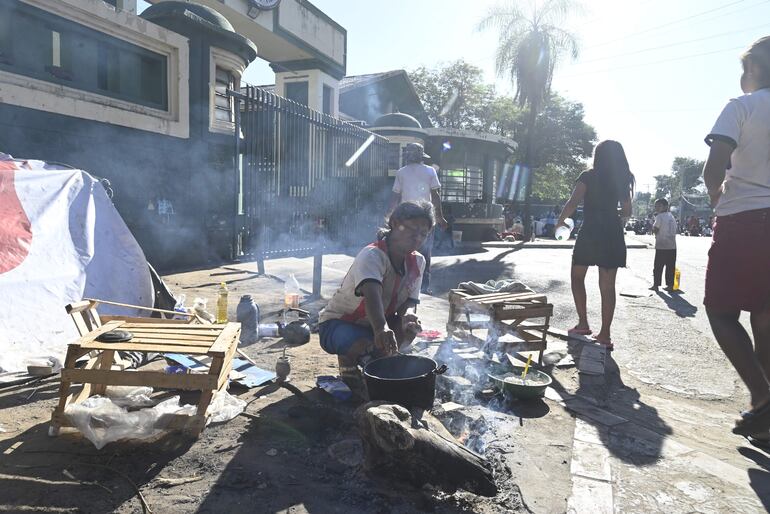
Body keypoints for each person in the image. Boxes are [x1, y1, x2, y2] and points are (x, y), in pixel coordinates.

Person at [702, 36, 770, 440]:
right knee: (764, 318)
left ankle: (763, 397)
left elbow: (714, 170)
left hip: (745, 219)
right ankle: (763, 419)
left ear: (755, 69)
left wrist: (716, 197)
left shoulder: (741, 107)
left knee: (721, 312)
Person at [318, 201, 431, 394]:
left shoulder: (418, 261)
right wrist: (381, 329)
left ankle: (377, 362)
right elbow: (372, 295)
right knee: (366, 345)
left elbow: (410, 302)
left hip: (376, 323)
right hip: (338, 325)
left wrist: (408, 317)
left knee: (407, 333)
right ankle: (349, 364)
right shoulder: (372, 255)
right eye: (412, 229)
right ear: (395, 223)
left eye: (423, 234)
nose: (417, 238)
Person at [556, 140, 635, 350]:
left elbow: (573, 202)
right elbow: (627, 211)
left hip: (591, 232)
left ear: (597, 156)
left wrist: (561, 220)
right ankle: (605, 335)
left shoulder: (588, 176)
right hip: (612, 233)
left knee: (577, 276)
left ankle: (583, 323)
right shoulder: (622, 179)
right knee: (608, 287)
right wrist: (611, 213)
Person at [390, 143, 448, 294]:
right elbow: (435, 195)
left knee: (404, 249)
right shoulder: (430, 171)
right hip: (425, 218)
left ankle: (403, 283)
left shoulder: (401, 172)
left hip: (405, 218)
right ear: (422, 156)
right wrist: (440, 217)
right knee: (425, 252)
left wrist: (390, 215)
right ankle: (423, 287)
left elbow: (395, 196)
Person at [650, 198, 678, 291]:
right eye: (656, 206)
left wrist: (653, 228)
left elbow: (656, 229)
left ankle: (656, 285)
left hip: (661, 246)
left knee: (658, 266)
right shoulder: (671, 216)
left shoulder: (659, 216)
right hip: (672, 246)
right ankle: (670, 285)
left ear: (665, 206)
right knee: (670, 266)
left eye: (659, 206)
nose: (657, 208)